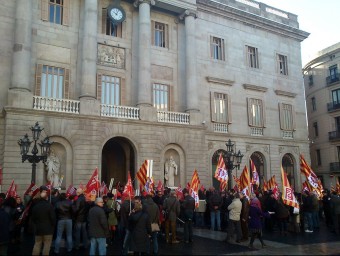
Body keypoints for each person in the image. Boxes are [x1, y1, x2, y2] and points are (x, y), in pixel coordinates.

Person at [31, 186, 56, 256]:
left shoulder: (35, 207)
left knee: (37, 245)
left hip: (38, 229)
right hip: (48, 230)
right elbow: (53, 218)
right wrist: (53, 226)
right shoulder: (49, 206)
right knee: (47, 246)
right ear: (46, 198)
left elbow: (33, 219)